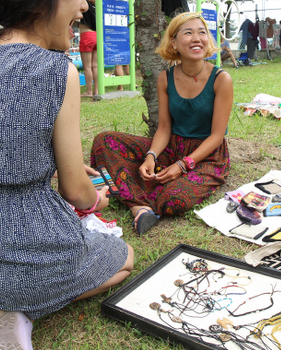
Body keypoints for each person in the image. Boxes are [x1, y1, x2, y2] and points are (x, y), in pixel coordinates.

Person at [0, 0, 134, 350]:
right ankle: (14, 307)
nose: (85, 4)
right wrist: (92, 202)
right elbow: (74, 191)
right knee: (123, 258)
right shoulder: (55, 69)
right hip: (20, 239)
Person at [91, 12, 233, 236]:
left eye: (202, 33)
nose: (197, 38)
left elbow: (217, 136)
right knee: (104, 141)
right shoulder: (165, 78)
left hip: (208, 156)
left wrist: (182, 165)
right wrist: (151, 156)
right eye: (188, 33)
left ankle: (131, 194)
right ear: (174, 42)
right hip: (172, 148)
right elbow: (165, 128)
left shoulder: (221, 79)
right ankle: (139, 206)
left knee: (172, 200)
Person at [79, 0, 98, 97]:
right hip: (96, 36)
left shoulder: (84, 5)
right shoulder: (97, 7)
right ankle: (96, 90)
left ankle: (89, 91)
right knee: (95, 66)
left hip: (86, 35)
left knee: (87, 66)